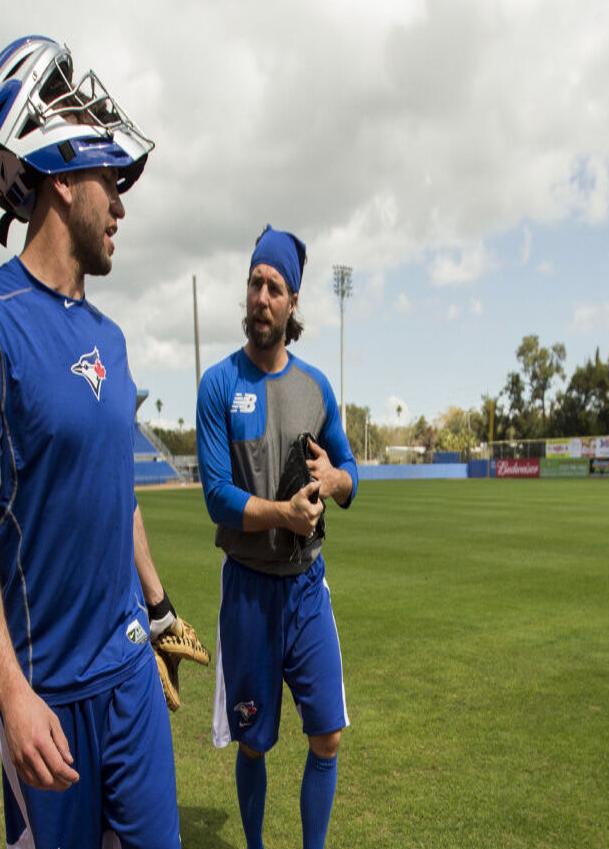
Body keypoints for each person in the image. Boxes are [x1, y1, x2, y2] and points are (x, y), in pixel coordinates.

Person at [0, 36, 186, 847]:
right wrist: (10, 694)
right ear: (61, 176)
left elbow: (117, 493)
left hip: (130, 685)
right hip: (46, 703)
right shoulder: (2, 321)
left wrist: (157, 605)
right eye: (110, 183)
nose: (120, 207)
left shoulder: (110, 336)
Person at [196, 225, 358, 849]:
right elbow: (216, 495)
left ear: (292, 306)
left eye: (275, 287)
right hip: (247, 595)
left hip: (306, 590)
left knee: (328, 737)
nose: (261, 297)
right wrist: (284, 514)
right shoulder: (218, 385)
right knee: (255, 742)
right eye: (254, 283)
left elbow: (349, 477)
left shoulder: (316, 387)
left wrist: (336, 475)